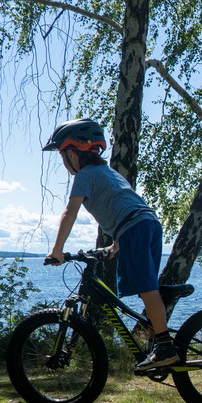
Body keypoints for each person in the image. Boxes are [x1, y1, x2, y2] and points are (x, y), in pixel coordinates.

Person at [43, 118, 178, 371]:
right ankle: (159, 344)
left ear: (72, 153)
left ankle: (165, 348)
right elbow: (123, 206)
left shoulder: (84, 175)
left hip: (134, 228)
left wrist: (57, 250)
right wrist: (116, 246)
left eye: (62, 156)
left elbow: (70, 212)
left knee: (146, 288)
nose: (64, 162)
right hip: (147, 223)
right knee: (147, 287)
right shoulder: (109, 173)